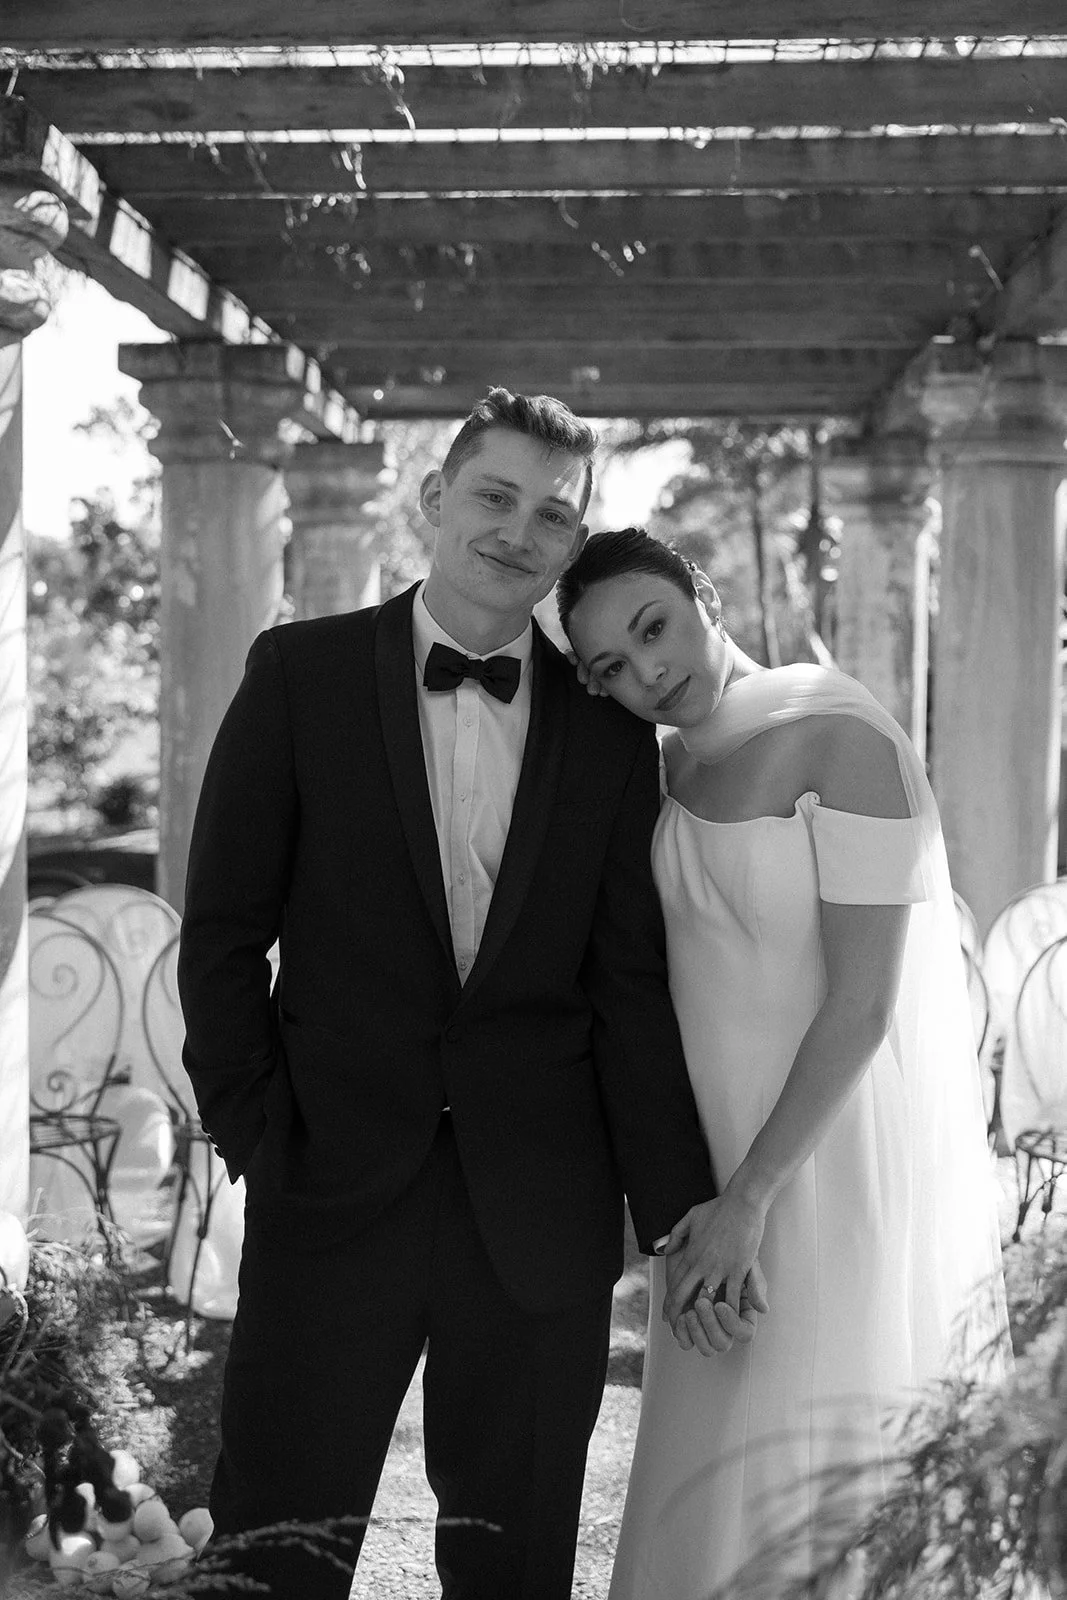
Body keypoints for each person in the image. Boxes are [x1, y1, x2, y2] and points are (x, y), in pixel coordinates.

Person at [176, 392, 764, 1600]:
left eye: (554, 515)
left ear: (570, 545)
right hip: (328, 1184)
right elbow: (226, 929)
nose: (520, 531)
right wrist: (253, 1133)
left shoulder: (609, 736)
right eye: (495, 496)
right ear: (434, 497)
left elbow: (626, 991)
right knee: (270, 1547)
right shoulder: (298, 674)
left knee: (515, 1561)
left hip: (537, 1216)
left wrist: (675, 1212)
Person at [558, 528, 1011, 1600]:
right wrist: (676, 1190)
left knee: (815, 1434)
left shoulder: (841, 736)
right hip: (701, 1165)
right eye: (608, 667)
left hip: (817, 1157)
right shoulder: (657, 766)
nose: (644, 671)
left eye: (651, 627)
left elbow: (861, 1006)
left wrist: (749, 1198)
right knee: (710, 1438)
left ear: (704, 596)